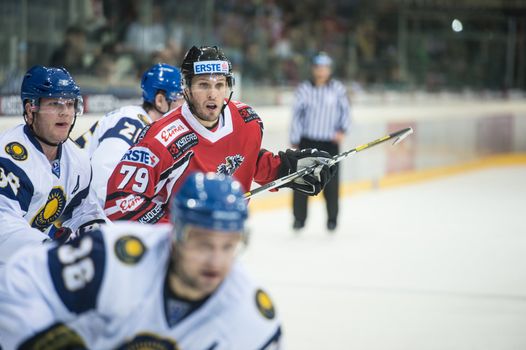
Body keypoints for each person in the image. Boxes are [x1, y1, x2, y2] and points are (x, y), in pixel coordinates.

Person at [0, 172, 282, 349]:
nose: (216, 260)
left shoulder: (253, 318)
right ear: (176, 234)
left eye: (229, 246)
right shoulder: (112, 256)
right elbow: (19, 283)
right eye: (203, 244)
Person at [104, 45, 335, 223]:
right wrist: (179, 232)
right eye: (203, 85)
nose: (213, 94)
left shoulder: (248, 121)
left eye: (220, 85)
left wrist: (284, 169)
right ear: (186, 88)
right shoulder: (159, 139)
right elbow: (120, 203)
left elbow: (243, 160)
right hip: (171, 255)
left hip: (223, 243)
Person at [0, 66, 107, 266]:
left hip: (35, 263)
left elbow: (83, 211)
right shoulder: (8, 157)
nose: (65, 113)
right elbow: (3, 228)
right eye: (55, 103)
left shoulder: (77, 159)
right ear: (30, 109)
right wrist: (54, 251)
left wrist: (103, 243)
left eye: (69, 103)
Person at [75, 63, 184, 206]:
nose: (186, 105)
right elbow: (101, 182)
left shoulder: (150, 126)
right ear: (160, 101)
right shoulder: (130, 123)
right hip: (73, 208)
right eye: (180, 97)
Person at [289, 52, 351, 232]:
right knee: (301, 181)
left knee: (331, 184)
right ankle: (299, 219)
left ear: (329, 69)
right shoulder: (304, 89)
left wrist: (342, 130)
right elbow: (296, 116)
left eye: (324, 67)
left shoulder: (338, 89)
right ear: (313, 69)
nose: (321, 71)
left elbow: (346, 112)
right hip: (308, 142)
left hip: (330, 144)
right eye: (318, 67)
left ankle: (332, 219)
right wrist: (295, 138)